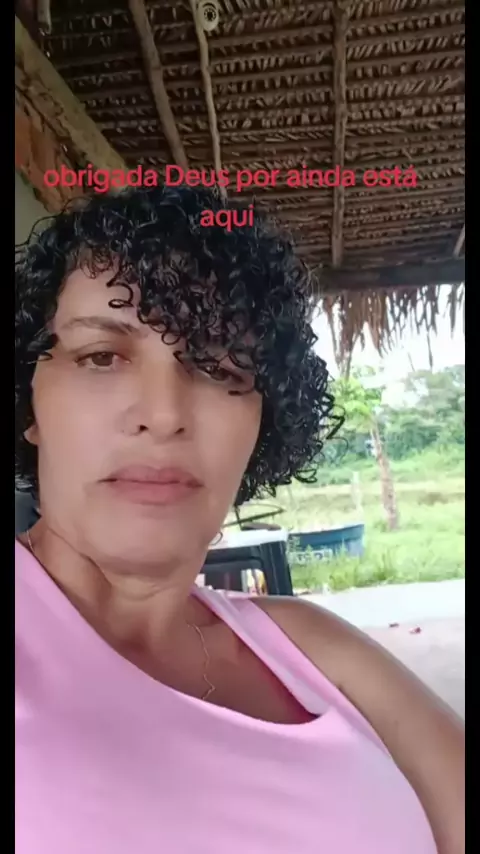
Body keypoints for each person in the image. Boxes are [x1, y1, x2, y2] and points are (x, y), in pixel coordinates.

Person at [15, 185, 463, 854]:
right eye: (100, 356)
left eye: (218, 367)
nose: (164, 414)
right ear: (30, 403)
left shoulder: (308, 649)